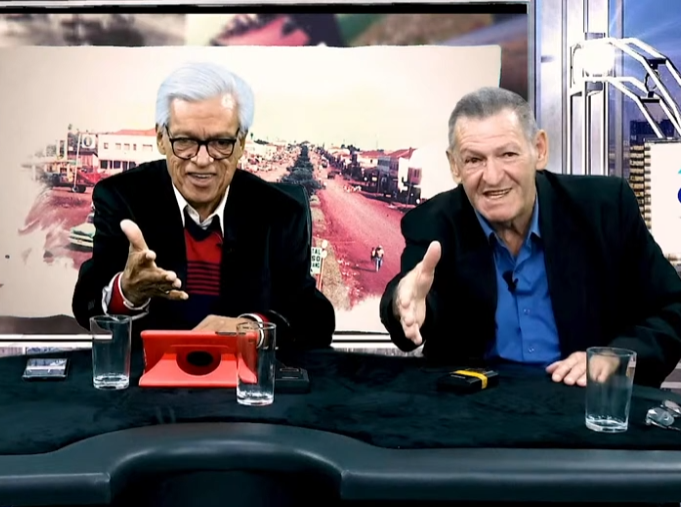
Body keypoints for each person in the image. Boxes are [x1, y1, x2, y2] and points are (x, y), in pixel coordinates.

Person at [380, 86, 681, 388]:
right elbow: (413, 296)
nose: (493, 177)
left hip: (583, 400)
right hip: (474, 406)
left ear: (539, 149)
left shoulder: (605, 209)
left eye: (508, 154)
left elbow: (673, 308)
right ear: (455, 166)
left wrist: (616, 358)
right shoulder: (432, 223)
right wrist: (401, 306)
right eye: (474, 160)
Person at [72, 61, 335, 348]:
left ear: (241, 143)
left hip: (243, 373)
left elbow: (316, 317)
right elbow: (86, 303)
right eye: (185, 141)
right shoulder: (121, 198)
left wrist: (255, 329)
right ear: (161, 139)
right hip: (149, 373)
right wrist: (126, 292)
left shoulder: (280, 211)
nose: (202, 160)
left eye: (221, 142)